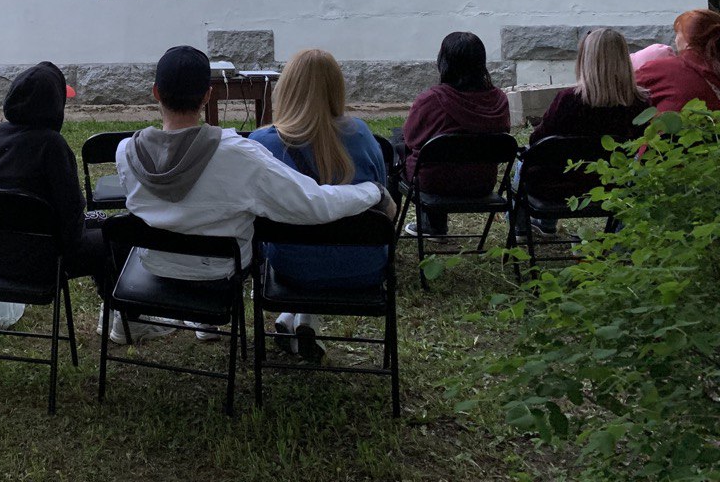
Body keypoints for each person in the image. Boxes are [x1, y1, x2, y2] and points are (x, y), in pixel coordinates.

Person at [114, 46, 394, 345]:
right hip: (218, 273)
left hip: (155, 265)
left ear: (156, 92)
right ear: (208, 95)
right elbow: (311, 204)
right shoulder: (238, 155)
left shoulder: (125, 153)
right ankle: (210, 320)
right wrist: (371, 191)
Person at [248, 49, 388, 363]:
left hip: (293, 268)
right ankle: (299, 320)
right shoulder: (363, 136)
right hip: (363, 268)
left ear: (286, 89)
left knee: (303, 242)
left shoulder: (260, 145)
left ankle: (293, 315)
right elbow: (382, 197)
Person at [0, 62, 104, 286]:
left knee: (98, 224)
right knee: (117, 238)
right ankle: (116, 307)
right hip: (45, 259)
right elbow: (71, 207)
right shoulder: (51, 144)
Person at [516, 28, 650, 238]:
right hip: (611, 186)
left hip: (553, 186)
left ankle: (522, 228)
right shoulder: (639, 104)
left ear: (585, 60)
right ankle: (617, 239)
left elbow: (537, 142)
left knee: (524, 160)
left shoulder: (568, 100)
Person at [400, 32, 510, 239]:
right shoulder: (499, 100)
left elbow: (411, 138)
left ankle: (413, 227)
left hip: (433, 183)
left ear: (444, 62)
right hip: (481, 182)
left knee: (395, 154)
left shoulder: (432, 100)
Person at [635, 9, 720, 111]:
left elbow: (624, 92)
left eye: (677, 33)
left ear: (686, 37)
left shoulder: (661, 69)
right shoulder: (713, 68)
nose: (675, 40)